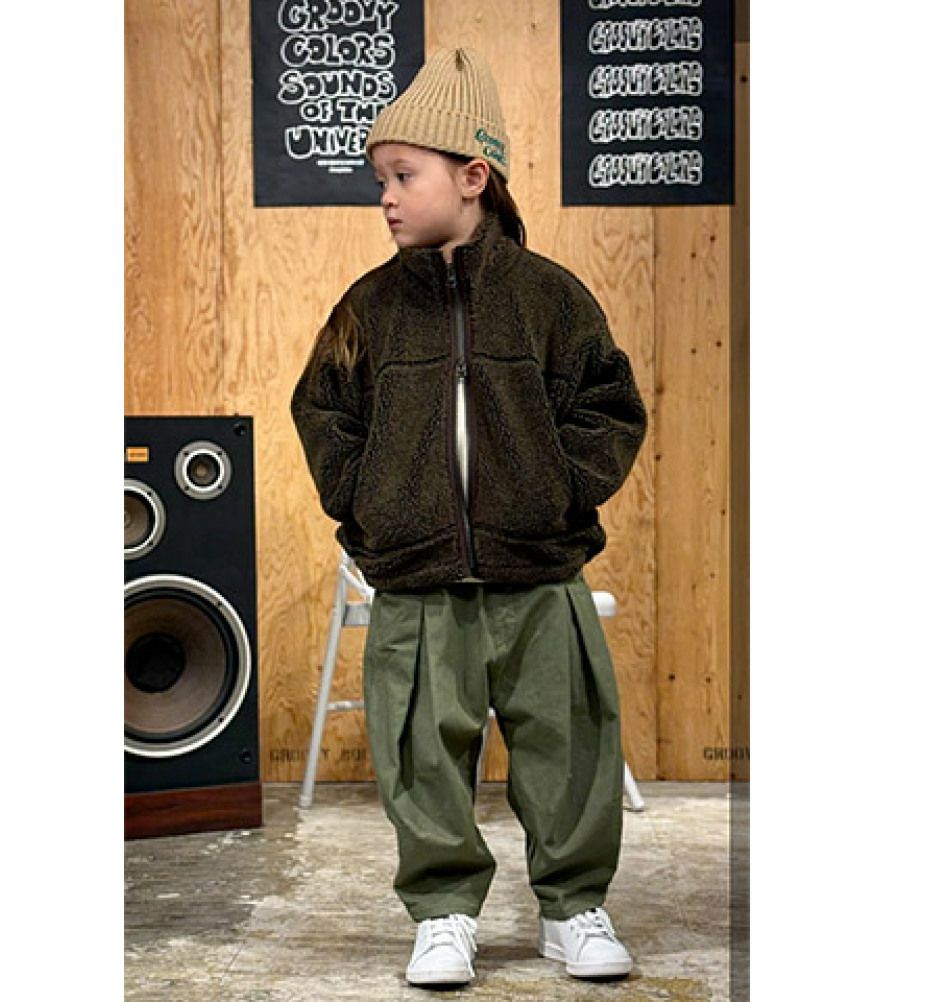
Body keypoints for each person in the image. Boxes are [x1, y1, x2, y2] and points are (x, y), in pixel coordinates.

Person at [291, 47, 648, 989]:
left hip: (539, 575)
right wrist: (370, 507)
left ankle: (572, 909)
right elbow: (323, 415)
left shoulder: (549, 297)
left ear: (473, 177)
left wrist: (556, 491)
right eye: (380, 180)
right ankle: (443, 912)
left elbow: (609, 408)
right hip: (416, 582)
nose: (386, 197)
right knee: (421, 752)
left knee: (567, 745)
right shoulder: (368, 308)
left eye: (403, 176)